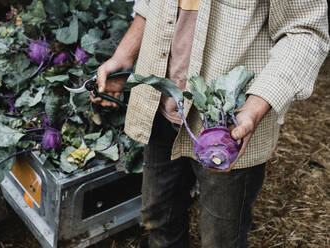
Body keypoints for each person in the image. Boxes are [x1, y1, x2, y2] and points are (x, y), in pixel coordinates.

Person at [91, 0, 329, 247]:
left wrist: (254, 109)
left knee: (222, 236)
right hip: (161, 107)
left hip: (228, 128)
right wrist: (124, 56)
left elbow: (305, 32)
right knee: (159, 219)